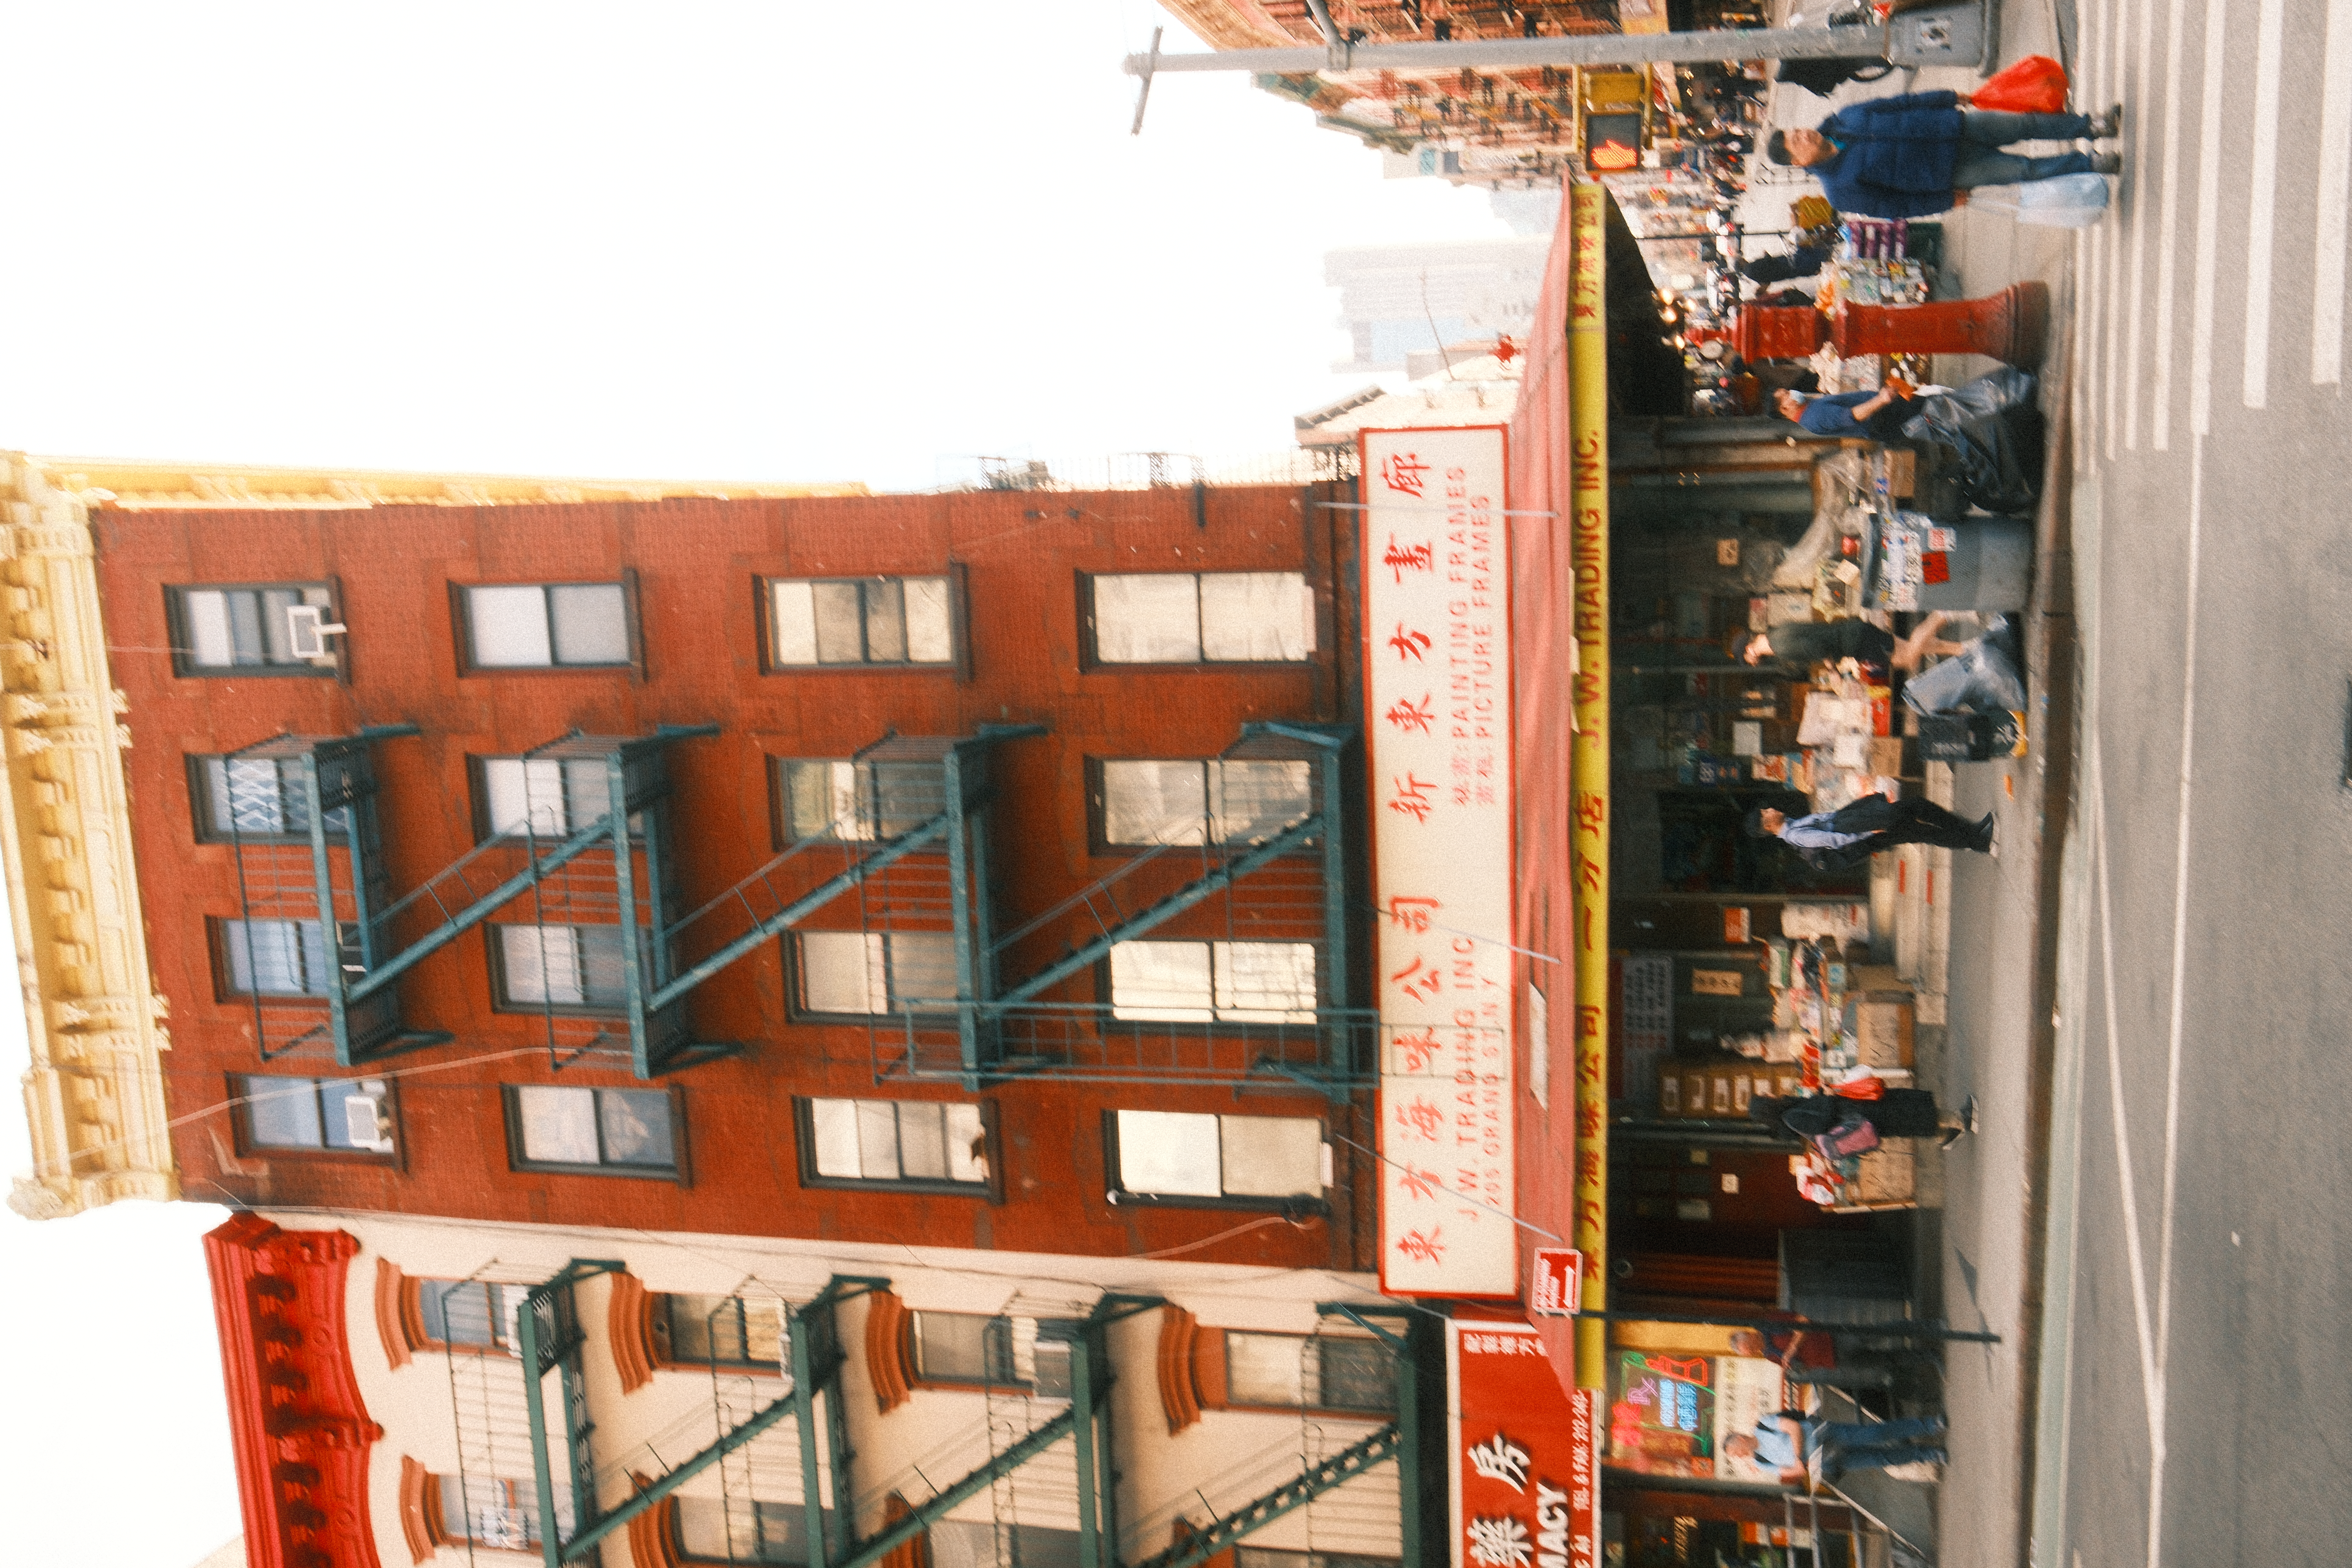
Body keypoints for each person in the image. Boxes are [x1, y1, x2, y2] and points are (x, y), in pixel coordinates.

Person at [1765, 91, 2123, 218]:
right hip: (1949, 172)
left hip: (1949, 126)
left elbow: (1900, 103)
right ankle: (2091, 164)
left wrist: (1947, 97)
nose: (1804, 134)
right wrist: (1944, 202)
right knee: (2023, 169)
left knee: (2025, 125)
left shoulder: (1844, 119)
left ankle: (2093, 126)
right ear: (1798, 161)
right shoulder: (1839, 191)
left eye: (1798, 130)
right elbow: (1894, 208)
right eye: (1797, 141)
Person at [1745, 793, 1995, 868]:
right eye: (1766, 812)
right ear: (1767, 825)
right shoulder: (1795, 836)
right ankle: (1975, 839)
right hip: (1869, 831)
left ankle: (1973, 835)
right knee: (1920, 827)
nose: (1770, 808)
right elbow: (1835, 839)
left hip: (1866, 824)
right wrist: (1872, 830)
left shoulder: (1792, 825)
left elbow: (1832, 818)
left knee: (1917, 813)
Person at [1725, 1412, 1948, 1483]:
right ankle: (1930, 1454)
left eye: (1737, 1451)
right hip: (1825, 1461)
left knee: (1876, 1434)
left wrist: (1797, 1457)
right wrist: (1800, 1464)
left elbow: (1793, 1427)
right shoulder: (1760, 1462)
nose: (1741, 1456)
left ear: (1741, 1439)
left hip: (1825, 1436)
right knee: (1880, 1459)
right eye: (1737, 1457)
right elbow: (1791, 1473)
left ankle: (1930, 1425)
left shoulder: (1763, 1425)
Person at [1733, 611, 1969, 674]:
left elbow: (1817, 648)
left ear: (1748, 650)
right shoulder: (1775, 632)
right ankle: (1963, 649)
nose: (1751, 664)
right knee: (1909, 649)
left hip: (1855, 642)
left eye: (1747, 661)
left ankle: (1942, 616)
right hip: (1852, 632)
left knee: (1907, 659)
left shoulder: (1780, 649)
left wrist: (1832, 669)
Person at [1749, 1088, 1976, 1150]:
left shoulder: (1789, 1114)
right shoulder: (1791, 1118)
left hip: (1858, 1116)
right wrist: (1827, 1096)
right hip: (1858, 1116)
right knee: (1906, 1112)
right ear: (1768, 1106)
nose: (1769, 1094)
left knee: (1906, 1117)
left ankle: (1945, 1134)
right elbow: (1822, 1122)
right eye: (1765, 1097)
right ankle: (1961, 1119)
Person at [1727, 1328, 1936, 1392]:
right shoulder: (1769, 1355)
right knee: (1884, 1361)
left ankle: (1932, 1329)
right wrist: (1799, 1370)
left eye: (1751, 1346)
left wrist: (1792, 1348)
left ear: (1750, 1335)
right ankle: (1929, 1357)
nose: (1754, 1350)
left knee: (1886, 1332)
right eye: (1750, 1352)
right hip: (1832, 1361)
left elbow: (1803, 1322)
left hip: (1833, 1338)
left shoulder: (1770, 1324)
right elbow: (1797, 1365)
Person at [1773, 378, 1919, 439]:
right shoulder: (1815, 416)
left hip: (1882, 414)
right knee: (1930, 412)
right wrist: (1881, 400)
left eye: (1787, 390)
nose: (1792, 392)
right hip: (1883, 417)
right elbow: (1851, 416)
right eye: (1787, 394)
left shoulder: (1807, 410)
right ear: (1785, 409)